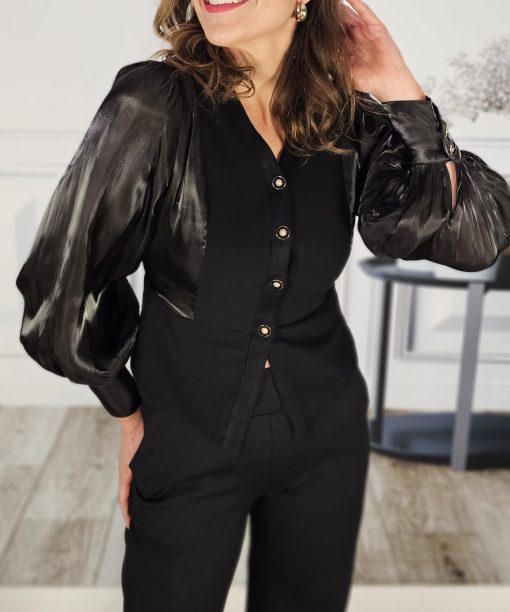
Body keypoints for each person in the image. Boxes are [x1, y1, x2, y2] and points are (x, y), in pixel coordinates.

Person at [14, 0, 510, 610]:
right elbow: (63, 279)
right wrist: (129, 415)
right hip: (187, 443)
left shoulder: (346, 112)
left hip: (326, 440)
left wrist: (402, 92)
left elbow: (468, 238)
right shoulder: (155, 102)